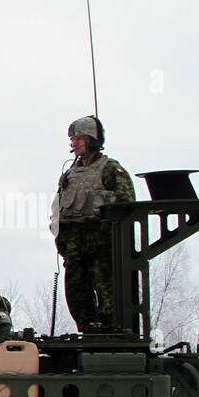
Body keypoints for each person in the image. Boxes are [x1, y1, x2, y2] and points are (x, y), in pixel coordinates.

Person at [51, 115, 135, 332]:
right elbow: (58, 208)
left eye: (79, 138)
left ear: (92, 140)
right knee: (77, 294)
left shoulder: (109, 169)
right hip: (74, 249)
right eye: (73, 139)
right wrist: (59, 236)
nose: (74, 143)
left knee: (109, 296)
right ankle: (89, 332)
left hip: (102, 247)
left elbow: (126, 205)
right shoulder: (70, 173)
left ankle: (110, 335)